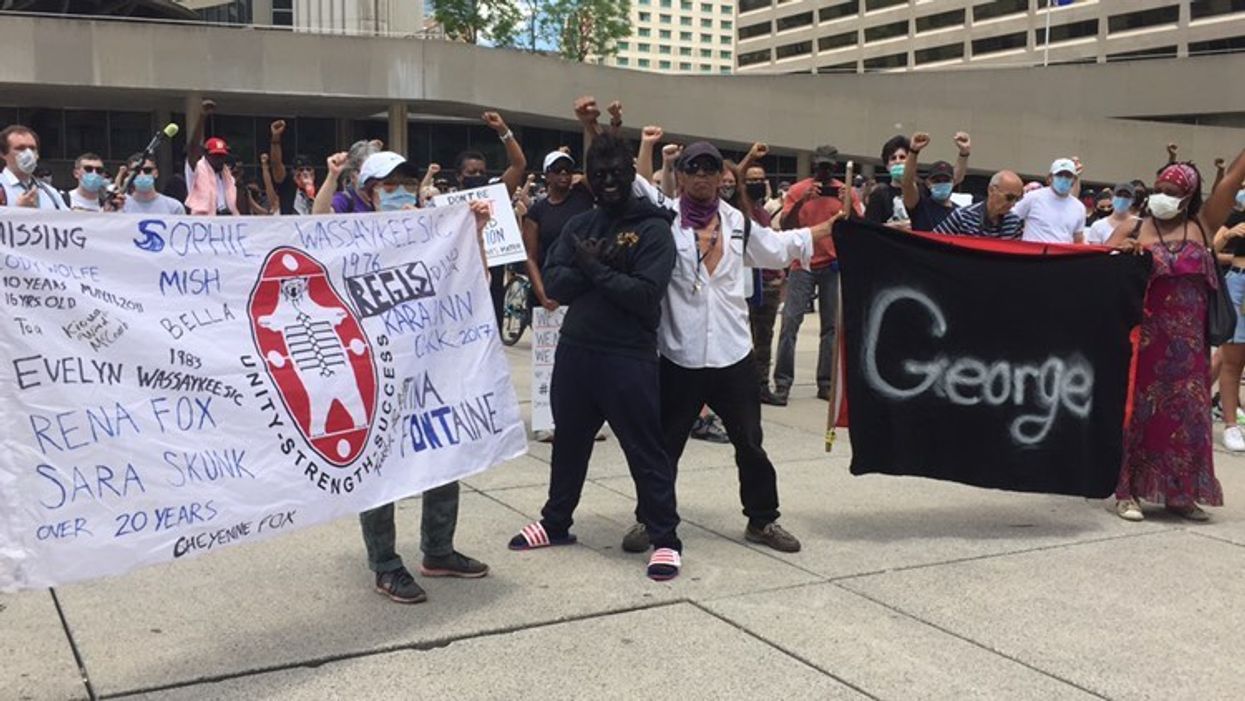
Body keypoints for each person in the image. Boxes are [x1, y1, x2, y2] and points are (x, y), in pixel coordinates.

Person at [624, 141, 839, 555]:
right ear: (680, 175)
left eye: (710, 169)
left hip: (732, 353)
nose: (702, 177)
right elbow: (631, 180)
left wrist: (825, 229)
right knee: (664, 446)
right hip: (680, 353)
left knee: (750, 444)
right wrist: (599, 129)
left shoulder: (737, 222)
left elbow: (776, 247)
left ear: (721, 177)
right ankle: (650, 518)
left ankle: (762, 519)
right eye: (693, 169)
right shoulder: (665, 219)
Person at [313, 149, 492, 603]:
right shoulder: (352, 237)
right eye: (389, 186)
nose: (400, 193)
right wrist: (331, 178)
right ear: (369, 193)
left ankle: (439, 550)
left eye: (407, 185)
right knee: (379, 469)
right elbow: (313, 229)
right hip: (375, 374)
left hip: (431, 369)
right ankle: (386, 565)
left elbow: (474, 284)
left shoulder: (432, 233)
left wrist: (474, 232)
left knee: (443, 456)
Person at [506, 134, 686, 582]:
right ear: (589, 176)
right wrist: (604, 271)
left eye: (617, 173)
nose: (608, 181)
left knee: (644, 449)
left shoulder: (654, 229)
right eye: (599, 174)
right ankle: (555, 521)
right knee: (569, 442)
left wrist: (592, 267)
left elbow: (644, 296)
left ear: (630, 173)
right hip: (576, 350)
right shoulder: (579, 224)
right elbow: (554, 284)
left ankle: (665, 538)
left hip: (628, 356)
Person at [1107, 154, 1245, 522]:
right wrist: (1123, 256)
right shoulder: (1134, 227)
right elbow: (1101, 270)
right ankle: (1128, 492)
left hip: (1189, 348)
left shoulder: (1202, 224)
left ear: (1187, 198)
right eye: (1159, 189)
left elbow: (1232, 180)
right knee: (1138, 414)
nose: (1162, 196)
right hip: (1144, 343)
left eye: (1172, 191)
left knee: (1186, 417)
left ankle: (1180, 494)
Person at [772, 145, 858, 405]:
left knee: (830, 327)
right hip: (803, 263)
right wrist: (802, 201)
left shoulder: (846, 191)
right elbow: (785, 225)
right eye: (820, 166)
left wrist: (848, 203)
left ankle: (826, 383)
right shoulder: (799, 190)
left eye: (828, 167)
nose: (824, 172)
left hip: (831, 264)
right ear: (813, 166)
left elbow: (858, 225)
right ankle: (783, 383)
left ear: (835, 167)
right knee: (790, 323)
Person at [522, 149, 597, 444]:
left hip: (583, 290)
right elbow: (530, 256)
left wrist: (593, 127)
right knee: (551, 362)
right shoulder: (537, 211)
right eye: (557, 171)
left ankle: (584, 420)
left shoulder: (583, 197)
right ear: (547, 175)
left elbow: (597, 164)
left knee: (586, 360)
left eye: (568, 170)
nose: (564, 175)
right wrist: (542, 294)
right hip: (551, 292)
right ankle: (547, 419)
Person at [454, 112, 528, 330]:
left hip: (491, 286)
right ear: (459, 176)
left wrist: (503, 130)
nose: (478, 175)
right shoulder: (446, 205)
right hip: (458, 288)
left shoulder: (496, 193)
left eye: (481, 172)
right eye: (472, 172)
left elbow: (518, 164)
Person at [737, 144, 785, 405]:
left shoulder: (765, 212)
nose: (756, 183)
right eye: (751, 180)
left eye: (760, 179)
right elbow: (733, 175)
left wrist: (779, 275)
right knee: (742, 338)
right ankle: (742, 387)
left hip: (769, 282)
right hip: (747, 282)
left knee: (764, 338)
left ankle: (762, 385)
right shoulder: (739, 209)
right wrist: (750, 157)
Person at [1212, 175, 1245, 452]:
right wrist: (1230, 234)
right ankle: (1231, 425)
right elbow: (1211, 247)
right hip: (1239, 283)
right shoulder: (1238, 214)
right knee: (1232, 359)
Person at [900, 131, 971, 232]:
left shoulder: (960, 214)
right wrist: (913, 151)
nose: (942, 183)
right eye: (937, 180)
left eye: (946, 180)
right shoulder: (920, 206)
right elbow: (907, 183)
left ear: (952, 182)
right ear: (928, 183)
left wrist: (964, 152)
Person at [183, 99, 239, 216]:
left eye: (222, 156)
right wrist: (202, 116)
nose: (219, 159)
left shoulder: (227, 176)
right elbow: (193, 147)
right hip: (204, 221)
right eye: (215, 156)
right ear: (206, 154)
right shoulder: (197, 169)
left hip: (226, 221)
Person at [1012, 158, 1085, 244]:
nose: (1063, 178)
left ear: (1074, 180)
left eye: (1068, 176)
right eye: (1059, 175)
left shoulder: (1079, 207)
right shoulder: (1033, 197)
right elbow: (1011, 217)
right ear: (1050, 178)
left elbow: (1078, 239)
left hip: (1062, 252)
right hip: (1033, 251)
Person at [933, 171, 1025, 239]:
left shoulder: (1014, 222)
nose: (1013, 204)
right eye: (1009, 197)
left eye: (1017, 199)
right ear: (991, 190)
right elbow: (933, 243)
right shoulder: (963, 216)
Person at [0, 125, 67, 210]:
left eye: (32, 148)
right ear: (3, 154)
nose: (28, 153)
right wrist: (19, 211)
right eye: (20, 148)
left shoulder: (50, 193)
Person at [865, 135, 912, 226]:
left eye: (902, 157)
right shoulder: (879, 194)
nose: (898, 161)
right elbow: (870, 227)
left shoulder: (920, 191)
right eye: (893, 158)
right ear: (887, 166)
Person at [120, 153, 186, 214]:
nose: (142, 175)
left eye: (147, 170)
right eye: (137, 171)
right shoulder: (120, 205)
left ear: (156, 173)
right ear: (129, 174)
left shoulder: (174, 208)